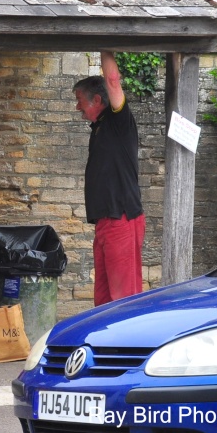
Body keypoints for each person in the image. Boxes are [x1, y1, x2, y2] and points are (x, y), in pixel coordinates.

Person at [73, 51, 145, 306]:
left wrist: (104, 45)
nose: (77, 106)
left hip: (121, 219)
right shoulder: (100, 126)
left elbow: (113, 80)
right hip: (105, 222)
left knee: (123, 297)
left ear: (97, 99)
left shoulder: (118, 120)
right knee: (103, 298)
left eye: (80, 100)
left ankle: (127, 344)